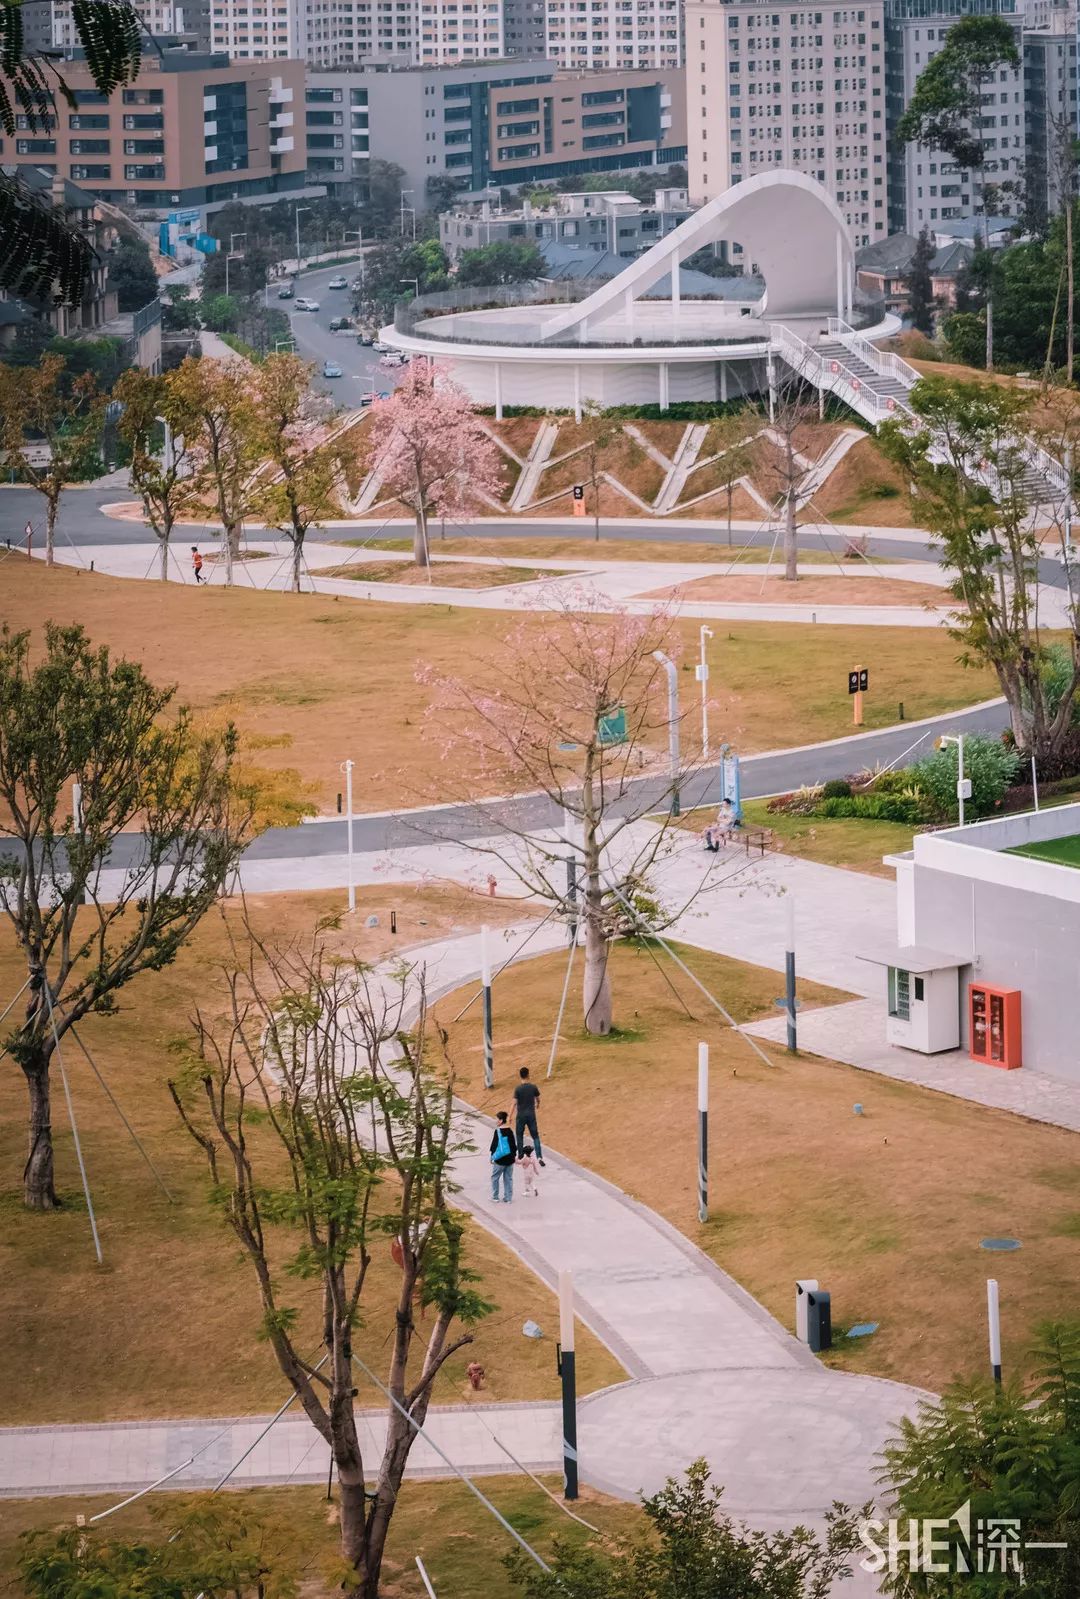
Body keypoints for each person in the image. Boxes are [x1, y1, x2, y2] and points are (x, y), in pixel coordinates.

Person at [513, 1066, 544, 1165]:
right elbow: (538, 1098)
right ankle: (539, 1157)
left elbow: (514, 1103)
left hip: (520, 1116)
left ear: (520, 1076)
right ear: (528, 1075)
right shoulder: (533, 1087)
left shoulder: (518, 1089)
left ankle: (521, 1155)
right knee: (535, 1136)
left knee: (519, 1135)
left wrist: (509, 1116)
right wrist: (538, 1104)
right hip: (531, 1115)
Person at [489, 1111, 516, 1203]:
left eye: (496, 1119)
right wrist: (513, 1157)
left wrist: (492, 1157)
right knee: (508, 1178)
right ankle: (508, 1198)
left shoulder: (498, 1131)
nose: (495, 1121)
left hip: (500, 1160)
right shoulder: (510, 1131)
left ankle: (495, 1197)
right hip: (510, 1160)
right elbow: (513, 1146)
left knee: (495, 1177)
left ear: (501, 1120)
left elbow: (494, 1145)